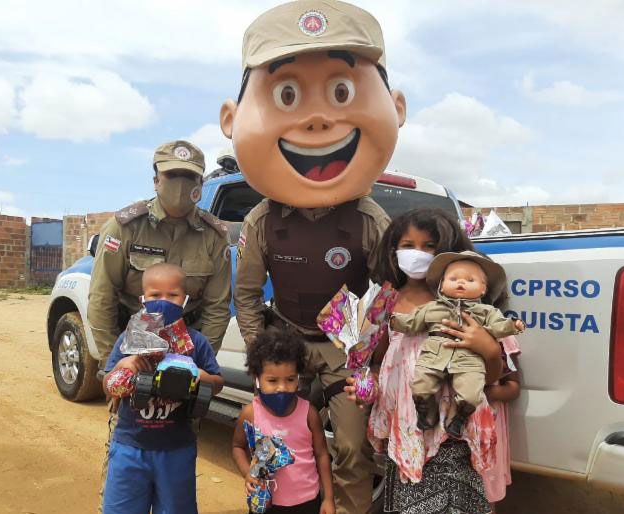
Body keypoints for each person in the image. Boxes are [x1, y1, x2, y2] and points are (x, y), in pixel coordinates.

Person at [222, 2, 406, 511]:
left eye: (341, 92)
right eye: (288, 95)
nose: (319, 119)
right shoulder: (263, 220)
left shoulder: (369, 220)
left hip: (344, 350)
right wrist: (265, 356)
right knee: (278, 440)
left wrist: (367, 359)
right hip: (287, 343)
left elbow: (390, 295)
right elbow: (246, 293)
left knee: (351, 445)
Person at [345, 208, 509, 514]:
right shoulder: (384, 301)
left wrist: (485, 346)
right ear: (392, 250)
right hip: (407, 425)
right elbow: (377, 362)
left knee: (457, 502)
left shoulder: (465, 304)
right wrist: (366, 386)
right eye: (407, 245)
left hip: (454, 429)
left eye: (429, 246)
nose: (417, 254)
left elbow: (491, 375)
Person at [88, 139, 231, 360]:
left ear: (200, 183)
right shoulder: (125, 227)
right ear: (156, 181)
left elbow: (217, 308)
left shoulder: (214, 236)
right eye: (172, 175)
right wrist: (113, 361)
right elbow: (101, 298)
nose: (181, 184)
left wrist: (199, 363)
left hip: (187, 345)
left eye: (190, 176)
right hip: (130, 343)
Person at [101, 263, 224, 514]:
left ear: (186, 299)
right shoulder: (129, 340)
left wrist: (201, 376)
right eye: (155, 295)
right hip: (130, 446)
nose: (164, 301)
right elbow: (107, 385)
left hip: (177, 449)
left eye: (173, 295)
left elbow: (218, 383)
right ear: (142, 299)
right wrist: (126, 365)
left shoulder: (196, 342)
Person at [391, 251, 525, 437]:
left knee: (471, 394)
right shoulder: (431, 308)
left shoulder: (487, 312)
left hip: (469, 360)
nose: (461, 282)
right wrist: (393, 321)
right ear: (442, 286)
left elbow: (499, 326)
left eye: (470, 280)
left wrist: (513, 325)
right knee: (420, 386)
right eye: (453, 278)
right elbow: (410, 322)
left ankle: (458, 414)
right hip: (434, 355)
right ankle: (427, 409)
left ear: (483, 289)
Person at [232, 327, 336, 514]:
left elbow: (321, 455)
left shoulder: (309, 413)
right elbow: (238, 447)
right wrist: (247, 473)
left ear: (298, 378)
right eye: (272, 381)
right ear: (257, 379)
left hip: (307, 502)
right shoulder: (250, 414)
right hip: (267, 503)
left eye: (290, 379)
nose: (282, 388)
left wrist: (328, 498)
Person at [481, 336, 522, 512]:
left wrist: (484, 392)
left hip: (486, 439)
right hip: (451, 438)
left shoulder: (499, 337)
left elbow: (512, 387)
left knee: (484, 497)